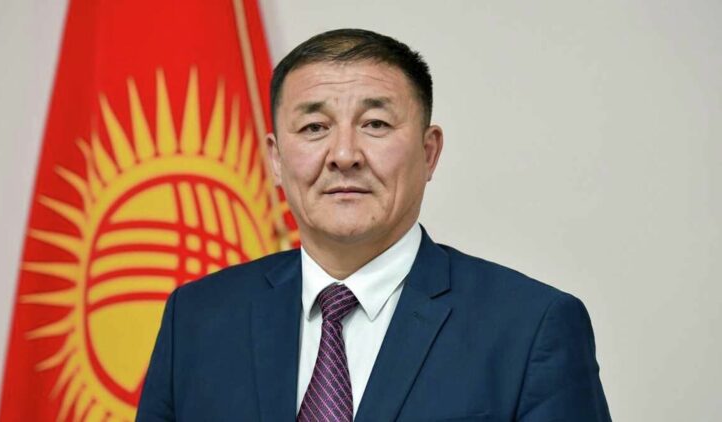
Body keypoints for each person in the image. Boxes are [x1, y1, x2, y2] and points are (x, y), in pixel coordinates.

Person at [137, 28, 611, 421]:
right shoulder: (196, 318)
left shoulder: (531, 327)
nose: (344, 155)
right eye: (314, 128)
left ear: (429, 152)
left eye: (376, 124)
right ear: (276, 160)